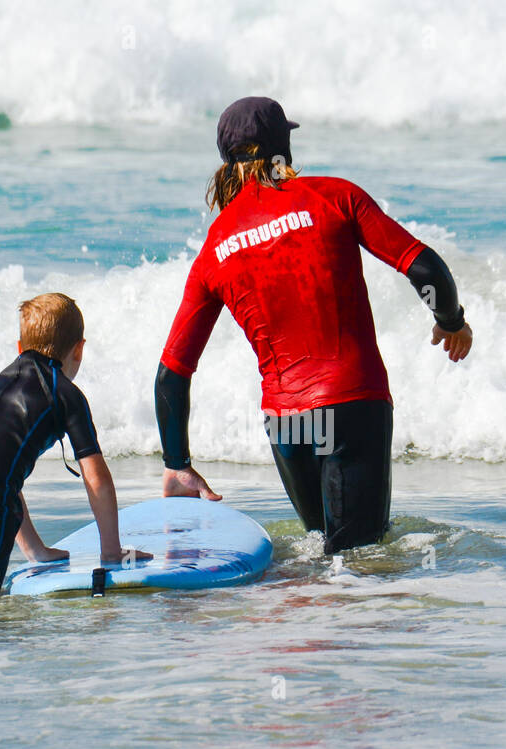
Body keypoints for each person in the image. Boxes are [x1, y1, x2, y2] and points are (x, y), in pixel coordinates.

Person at [155, 96, 471, 554]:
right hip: (352, 405)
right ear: (284, 146)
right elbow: (424, 269)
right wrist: (452, 321)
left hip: (286, 425)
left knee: (322, 550)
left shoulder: (216, 246)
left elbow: (172, 373)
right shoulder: (333, 195)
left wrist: (177, 462)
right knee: (358, 562)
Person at [0, 292, 150, 597]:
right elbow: (96, 478)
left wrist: (36, 551)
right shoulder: (65, 395)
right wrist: (112, 551)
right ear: (79, 350)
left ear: (20, 347)